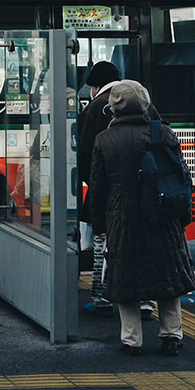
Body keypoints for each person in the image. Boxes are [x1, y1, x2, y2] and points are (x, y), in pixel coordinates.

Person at [87, 80, 195, 357]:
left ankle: (131, 339)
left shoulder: (105, 140)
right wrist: (183, 216)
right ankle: (172, 334)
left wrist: (99, 224)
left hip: (122, 215)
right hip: (162, 215)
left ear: (113, 109)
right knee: (167, 274)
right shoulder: (164, 134)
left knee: (125, 276)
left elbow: (98, 187)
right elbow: (182, 179)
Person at [78, 60, 122, 318]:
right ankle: (145, 301)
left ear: (95, 85)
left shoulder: (95, 107)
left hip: (104, 190)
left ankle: (101, 297)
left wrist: (91, 182)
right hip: (140, 192)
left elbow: (84, 154)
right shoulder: (143, 104)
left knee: (102, 244)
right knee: (138, 245)